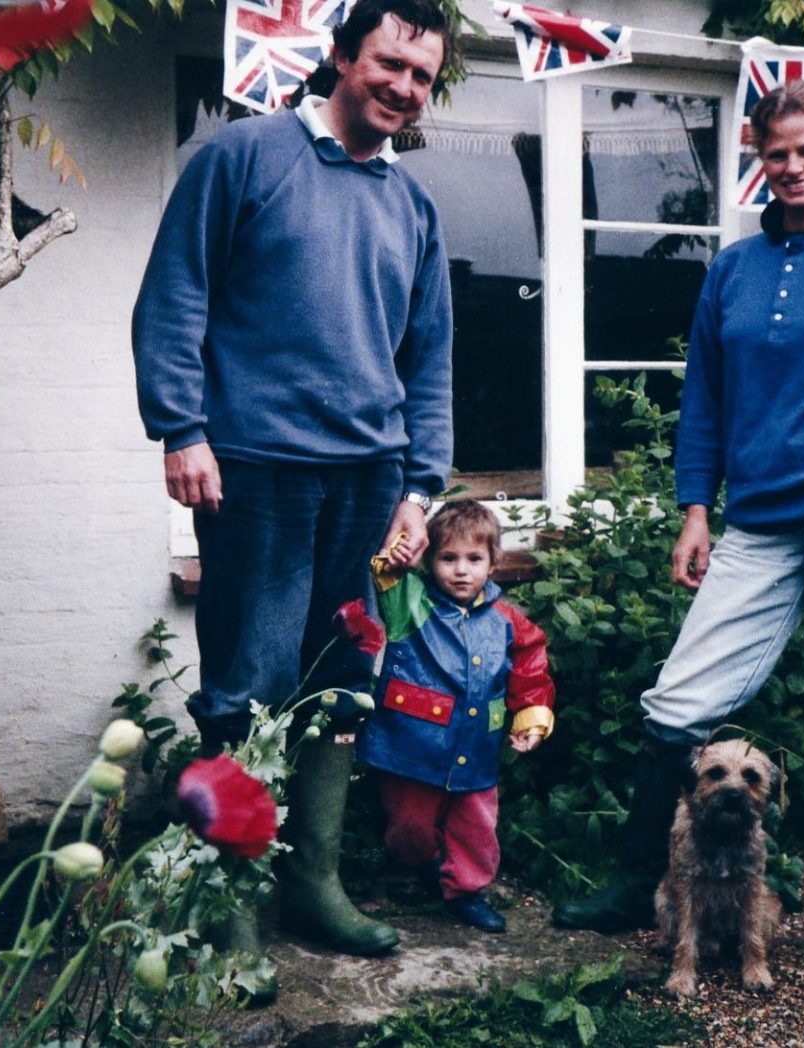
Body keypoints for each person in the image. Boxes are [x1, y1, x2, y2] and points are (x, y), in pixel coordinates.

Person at [551, 81, 804, 979]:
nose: (792, 168)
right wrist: (696, 509)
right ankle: (634, 882)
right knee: (678, 701)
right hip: (762, 521)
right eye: (776, 154)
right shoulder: (732, 271)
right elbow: (705, 398)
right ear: (758, 160)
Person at [130, 0, 456, 959]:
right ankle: (225, 904)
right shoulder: (243, 158)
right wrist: (180, 429)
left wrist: (420, 487)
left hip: (369, 479)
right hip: (257, 474)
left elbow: (430, 358)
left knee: (343, 684)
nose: (403, 87)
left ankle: (312, 884)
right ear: (343, 57)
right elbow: (174, 296)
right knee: (248, 688)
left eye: (422, 76)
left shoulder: (413, 204)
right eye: (389, 64)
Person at [357, 500, 555, 933]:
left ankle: (466, 889)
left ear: (493, 562)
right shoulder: (410, 603)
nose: (461, 570)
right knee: (408, 827)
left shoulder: (506, 619)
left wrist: (530, 716)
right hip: (412, 746)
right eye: (448, 558)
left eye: (473, 559)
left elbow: (530, 661)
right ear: (430, 560)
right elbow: (387, 576)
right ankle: (425, 864)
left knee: (477, 825)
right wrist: (398, 551)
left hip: (477, 745)